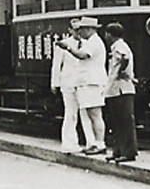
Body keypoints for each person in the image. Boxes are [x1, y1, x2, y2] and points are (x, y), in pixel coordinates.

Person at [56, 16, 108, 155]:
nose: (80, 32)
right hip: (86, 82)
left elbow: (83, 56)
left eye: (82, 29)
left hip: (92, 82)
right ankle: (94, 143)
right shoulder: (89, 41)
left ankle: (100, 143)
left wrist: (68, 48)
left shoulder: (93, 42)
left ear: (89, 29)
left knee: (95, 114)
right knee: (91, 114)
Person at [103, 22, 137, 163]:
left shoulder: (120, 46)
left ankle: (128, 152)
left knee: (124, 122)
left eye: (106, 33)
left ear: (110, 34)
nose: (105, 36)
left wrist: (122, 71)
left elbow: (125, 58)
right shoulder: (117, 46)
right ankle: (118, 150)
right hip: (116, 89)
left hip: (122, 89)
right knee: (117, 122)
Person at [51, 18, 82, 153]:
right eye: (75, 30)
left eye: (80, 29)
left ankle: (83, 142)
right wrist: (55, 83)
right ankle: (68, 143)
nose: (78, 32)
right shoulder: (64, 45)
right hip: (68, 82)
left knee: (84, 114)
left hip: (82, 82)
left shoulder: (85, 43)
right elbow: (56, 65)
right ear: (70, 30)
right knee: (71, 113)